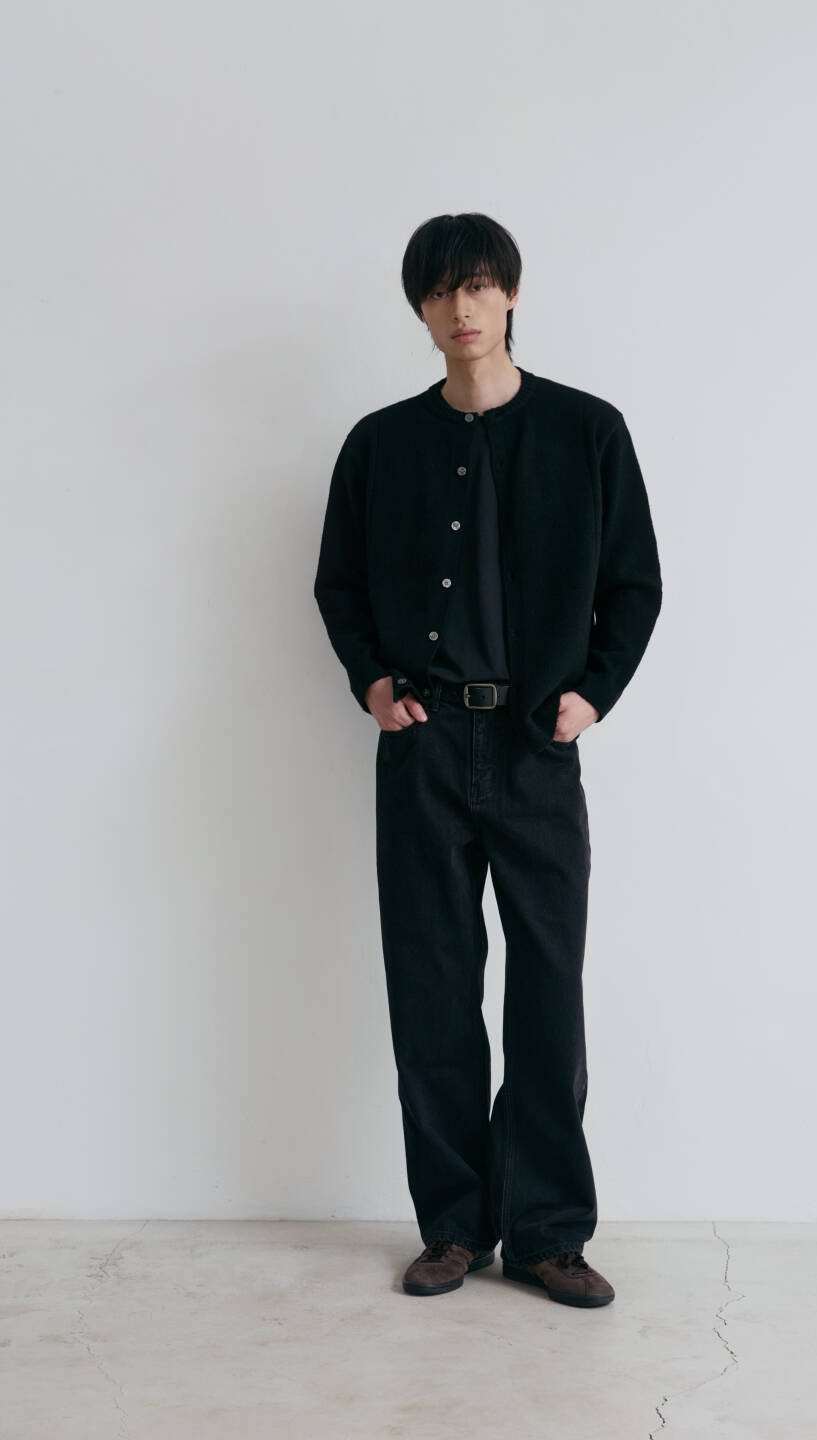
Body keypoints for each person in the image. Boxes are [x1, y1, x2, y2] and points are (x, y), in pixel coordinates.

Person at [313, 212, 662, 1308]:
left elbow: (636, 583)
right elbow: (339, 583)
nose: (460, 308)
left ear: (510, 293)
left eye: (477, 285)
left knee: (547, 990)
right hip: (421, 747)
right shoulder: (381, 444)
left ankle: (550, 1233)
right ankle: (454, 1228)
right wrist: (372, 681)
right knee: (432, 990)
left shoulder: (587, 430)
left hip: (533, 748)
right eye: (439, 291)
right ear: (419, 309)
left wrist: (590, 695)